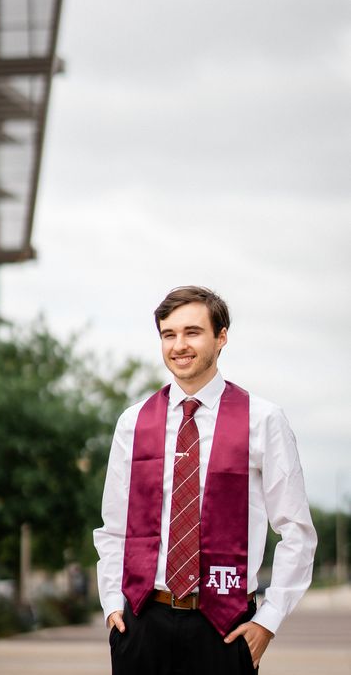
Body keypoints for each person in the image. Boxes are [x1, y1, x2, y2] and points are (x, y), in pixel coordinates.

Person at [93, 286, 317, 675]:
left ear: (222, 336)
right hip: (143, 623)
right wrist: (113, 603)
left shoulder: (263, 420)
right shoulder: (133, 422)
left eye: (192, 332)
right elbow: (114, 527)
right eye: (169, 334)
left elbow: (296, 531)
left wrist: (269, 619)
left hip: (225, 628)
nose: (179, 345)